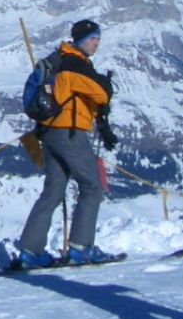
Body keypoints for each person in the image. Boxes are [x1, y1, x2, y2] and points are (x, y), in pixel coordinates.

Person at [15, 19, 116, 268]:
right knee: (91, 187)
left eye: (98, 38)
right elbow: (102, 94)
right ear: (81, 40)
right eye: (93, 38)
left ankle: (30, 251)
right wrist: (104, 83)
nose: (96, 43)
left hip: (48, 133)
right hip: (70, 133)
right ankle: (81, 248)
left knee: (53, 191)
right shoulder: (74, 64)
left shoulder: (57, 60)